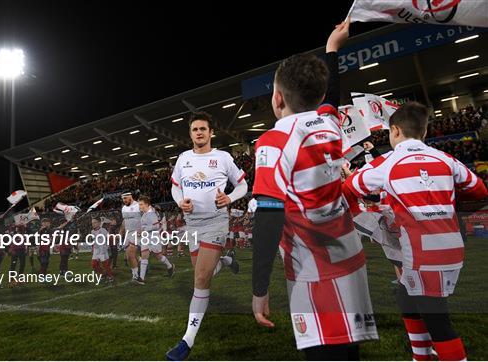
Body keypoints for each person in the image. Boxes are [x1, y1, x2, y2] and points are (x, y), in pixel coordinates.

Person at [251, 18, 378, 360]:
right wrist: (333, 48)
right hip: (350, 261)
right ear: (319, 96)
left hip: (313, 270)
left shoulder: (273, 141)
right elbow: (332, 97)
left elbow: (268, 215)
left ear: (277, 98)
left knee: (325, 353)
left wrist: (259, 289)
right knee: (348, 351)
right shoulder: (331, 126)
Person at [343, 101, 488, 361]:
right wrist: (450, 207)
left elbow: (348, 189)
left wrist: (363, 219)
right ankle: (421, 356)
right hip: (452, 246)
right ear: (423, 133)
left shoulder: (385, 162)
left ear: (395, 131)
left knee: (437, 320)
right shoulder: (446, 159)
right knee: (405, 297)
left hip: (422, 253)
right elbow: (480, 191)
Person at [166, 111, 247, 360]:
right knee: (205, 271)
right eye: (194, 129)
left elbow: (243, 185)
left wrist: (230, 198)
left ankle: (186, 341)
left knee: (201, 279)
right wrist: (181, 202)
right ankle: (226, 261)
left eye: (203, 129)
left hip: (216, 221)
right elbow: (175, 187)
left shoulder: (222, 158)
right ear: (190, 134)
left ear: (211, 132)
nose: (199, 133)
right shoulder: (183, 158)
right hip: (192, 223)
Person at [136, 195, 175, 282]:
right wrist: (140, 231)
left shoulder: (151, 213)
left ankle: (170, 266)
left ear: (146, 204)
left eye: (141, 204)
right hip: (146, 238)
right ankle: (141, 278)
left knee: (159, 256)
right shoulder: (145, 214)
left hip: (154, 238)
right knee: (144, 255)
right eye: (139, 204)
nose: (140, 206)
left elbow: (156, 226)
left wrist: (145, 229)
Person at [119, 192, 143, 284]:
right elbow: (124, 220)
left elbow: (145, 216)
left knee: (131, 253)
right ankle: (135, 274)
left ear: (130, 197)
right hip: (128, 234)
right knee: (129, 256)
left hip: (138, 233)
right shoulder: (124, 208)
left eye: (125, 198)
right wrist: (121, 231)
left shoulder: (138, 205)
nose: (124, 201)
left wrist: (142, 229)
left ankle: (136, 275)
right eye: (123, 199)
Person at [90, 217, 114, 283]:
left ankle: (110, 276)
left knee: (105, 265)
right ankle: (103, 274)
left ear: (99, 223)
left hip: (103, 250)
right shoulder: (92, 231)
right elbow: (94, 241)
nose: (93, 224)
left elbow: (109, 238)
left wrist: (108, 247)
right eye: (92, 223)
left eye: (95, 222)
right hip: (96, 250)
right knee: (94, 265)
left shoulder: (103, 230)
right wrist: (92, 248)